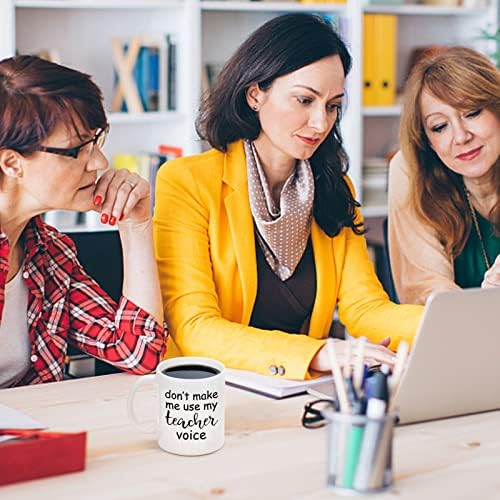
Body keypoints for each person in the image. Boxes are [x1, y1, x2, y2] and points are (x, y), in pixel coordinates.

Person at [154, 14, 422, 380]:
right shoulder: (186, 181)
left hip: (296, 393)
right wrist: (317, 353)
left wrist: (457, 320)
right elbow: (195, 327)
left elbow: (366, 309)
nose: (320, 123)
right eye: (304, 100)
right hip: (208, 394)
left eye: (332, 106)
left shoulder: (334, 189)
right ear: (255, 95)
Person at [0, 55, 166, 388]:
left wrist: (135, 225)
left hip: (39, 432)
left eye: (96, 141)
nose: (100, 162)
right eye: (78, 149)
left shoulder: (49, 255)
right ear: (12, 163)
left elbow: (139, 353)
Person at [388, 47, 500, 304]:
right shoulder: (411, 169)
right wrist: (488, 302)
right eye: (439, 127)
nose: (461, 137)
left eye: (472, 113)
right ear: (426, 140)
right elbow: (427, 293)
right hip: (463, 338)